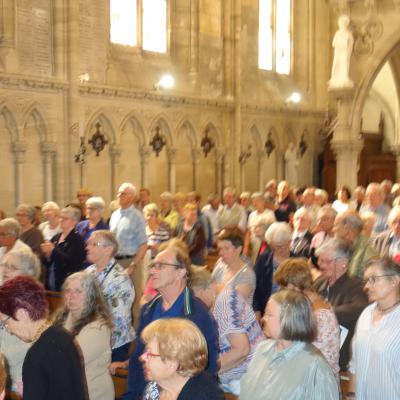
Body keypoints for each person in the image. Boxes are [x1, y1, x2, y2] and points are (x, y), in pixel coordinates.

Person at [122, 239, 219, 400]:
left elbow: (207, 366)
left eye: (161, 266)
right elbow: (137, 358)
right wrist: (131, 395)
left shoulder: (196, 315)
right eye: (153, 265)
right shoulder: (148, 310)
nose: (152, 271)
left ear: (180, 272)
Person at [240, 290, 339, 400]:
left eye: (269, 314)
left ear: (288, 319)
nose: (263, 318)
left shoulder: (314, 365)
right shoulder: (262, 349)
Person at [0, 276, 88, 400]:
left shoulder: (36, 355)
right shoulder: (63, 335)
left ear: (22, 314)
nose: (9, 330)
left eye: (6, 322)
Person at [190, 266, 263, 395]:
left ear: (202, 290)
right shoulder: (222, 296)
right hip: (240, 376)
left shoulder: (224, 304)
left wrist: (208, 372)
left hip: (243, 378)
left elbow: (241, 350)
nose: (195, 304)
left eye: (195, 298)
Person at [274, 258, 340, 381]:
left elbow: (308, 360)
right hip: (305, 374)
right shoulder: (306, 305)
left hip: (319, 382)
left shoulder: (320, 317)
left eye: (283, 287)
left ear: (295, 286)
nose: (281, 292)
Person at [53, 272, 114, 400]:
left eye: (78, 291)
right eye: (68, 291)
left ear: (91, 296)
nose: (71, 296)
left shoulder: (99, 327)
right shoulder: (61, 319)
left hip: (92, 393)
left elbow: (69, 359)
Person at [348, 258, 400, 400]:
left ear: (394, 280)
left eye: (373, 280)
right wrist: (351, 396)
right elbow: (355, 365)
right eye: (366, 281)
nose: (366, 286)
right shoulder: (366, 314)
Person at [314, 238, 368, 371]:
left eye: (327, 261)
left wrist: (324, 313)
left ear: (343, 263)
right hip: (316, 351)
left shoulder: (356, 286)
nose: (321, 265)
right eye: (320, 260)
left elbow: (359, 308)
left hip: (341, 356)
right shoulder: (320, 283)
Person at [141, 318, 224, 400]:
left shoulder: (205, 395)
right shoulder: (154, 388)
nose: (142, 357)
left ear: (172, 363)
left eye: (149, 353)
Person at [85, 230, 135, 363]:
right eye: (88, 244)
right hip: (91, 336)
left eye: (94, 244)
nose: (87, 247)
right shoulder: (88, 272)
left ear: (108, 249)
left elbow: (118, 320)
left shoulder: (120, 279)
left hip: (113, 343)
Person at [0, 249, 41, 394]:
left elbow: (30, 342)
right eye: (4, 265)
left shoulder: (33, 301)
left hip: (18, 379)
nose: (5, 270)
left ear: (26, 274)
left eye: (12, 267)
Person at [109, 183, 147, 322]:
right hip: (115, 262)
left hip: (131, 261)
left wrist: (133, 265)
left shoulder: (137, 216)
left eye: (123, 193)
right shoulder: (114, 215)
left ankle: (136, 330)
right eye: (119, 193)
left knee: (134, 297)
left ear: (132, 197)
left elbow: (143, 244)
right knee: (115, 297)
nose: (119, 196)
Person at [40, 206, 86, 291]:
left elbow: (72, 262)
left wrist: (52, 251)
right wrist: (46, 255)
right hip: (51, 281)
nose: (61, 220)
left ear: (74, 221)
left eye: (65, 218)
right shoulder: (56, 237)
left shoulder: (77, 239)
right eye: (60, 217)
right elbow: (46, 262)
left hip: (67, 283)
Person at [253, 222, 292, 320]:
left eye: (283, 245)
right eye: (276, 246)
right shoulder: (263, 260)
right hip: (266, 312)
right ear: (270, 245)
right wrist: (257, 310)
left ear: (290, 242)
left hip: (290, 313)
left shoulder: (298, 261)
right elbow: (254, 287)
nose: (280, 249)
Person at [212, 229, 255, 304]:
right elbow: (209, 291)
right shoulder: (220, 265)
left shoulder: (247, 274)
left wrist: (215, 289)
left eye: (226, 248)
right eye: (220, 248)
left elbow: (233, 303)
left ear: (238, 249)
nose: (220, 253)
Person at [334, 210, 378, 278]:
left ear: (347, 227)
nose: (333, 229)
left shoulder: (368, 254)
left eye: (336, 225)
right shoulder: (345, 246)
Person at [329, 14, 354, 88]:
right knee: (336, 63)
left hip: (345, 52)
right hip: (338, 52)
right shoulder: (338, 33)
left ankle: (344, 77)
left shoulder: (348, 33)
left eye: (343, 24)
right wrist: (339, 45)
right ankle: (335, 77)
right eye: (340, 23)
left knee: (344, 64)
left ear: (346, 25)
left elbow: (351, 42)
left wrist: (346, 46)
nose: (341, 25)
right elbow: (333, 43)